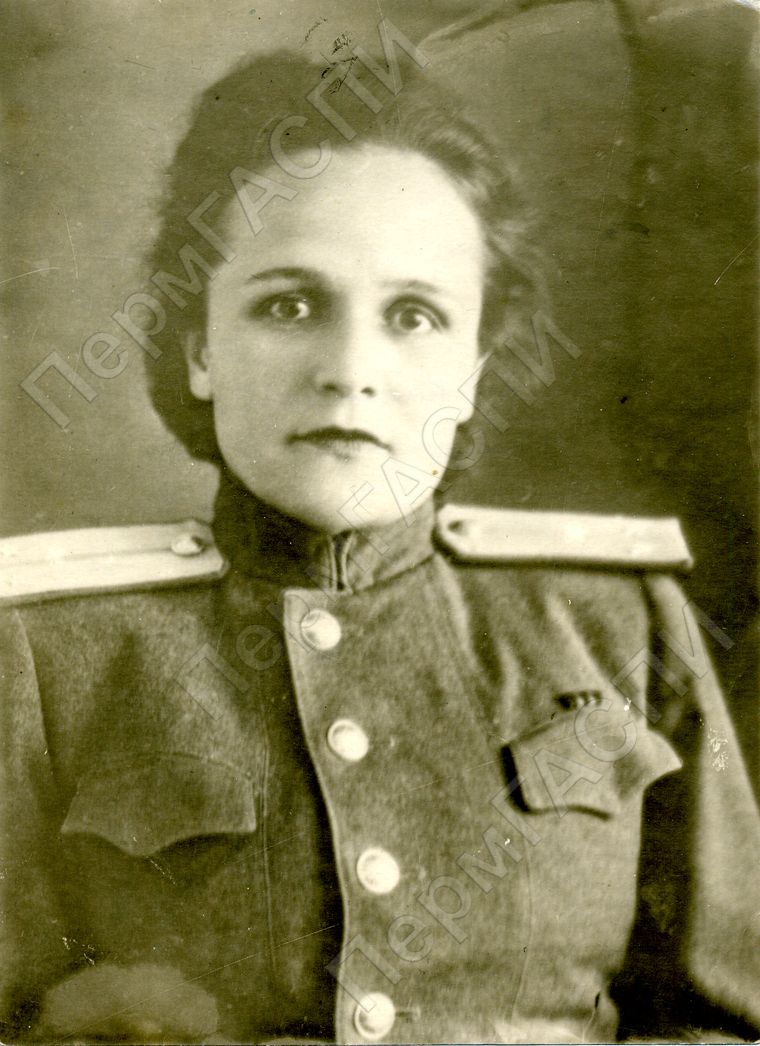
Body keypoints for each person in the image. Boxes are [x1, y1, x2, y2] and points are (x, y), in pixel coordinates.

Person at [1, 46, 758, 1045]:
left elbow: (728, 1020)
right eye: (289, 305)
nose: (350, 367)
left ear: (474, 368)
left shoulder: (617, 623)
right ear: (199, 349)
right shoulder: (47, 656)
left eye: (414, 315)